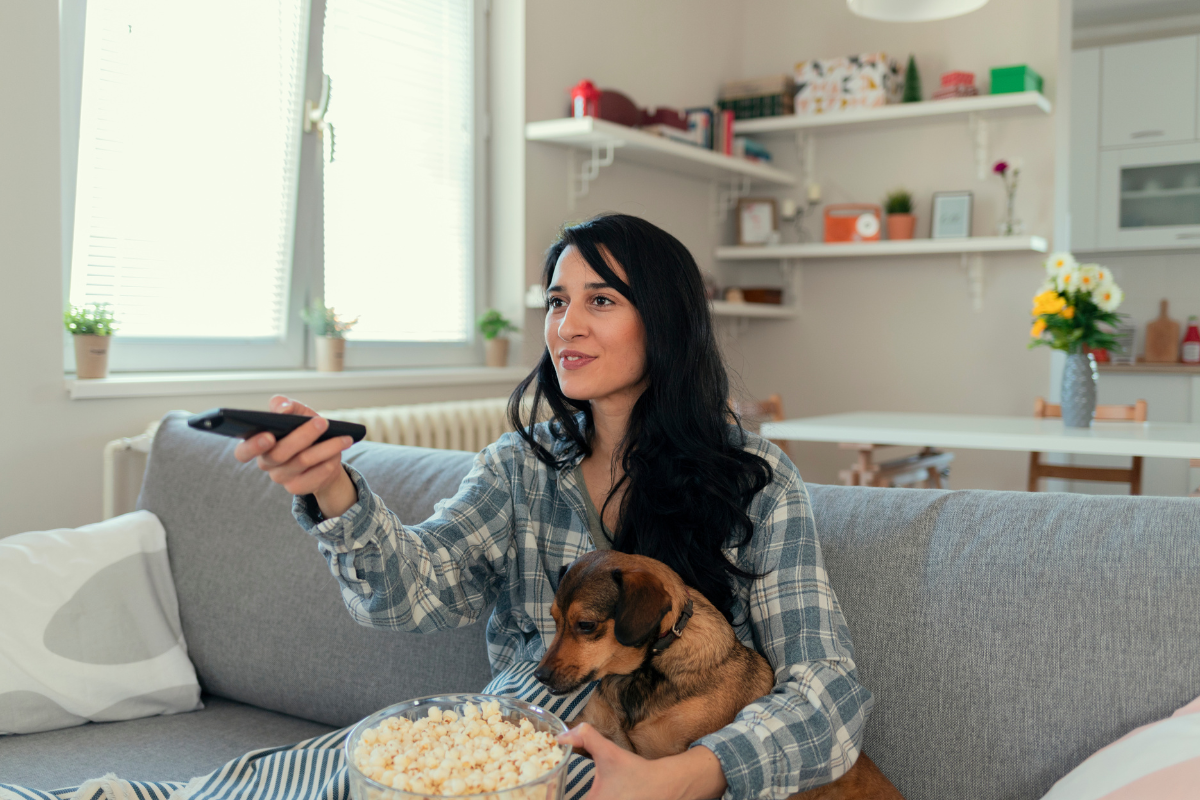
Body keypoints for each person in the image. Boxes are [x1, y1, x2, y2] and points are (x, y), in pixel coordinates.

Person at [235, 213, 873, 800]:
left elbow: (827, 694)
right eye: (557, 302)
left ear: (666, 321)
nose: (566, 326)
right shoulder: (518, 467)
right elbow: (413, 595)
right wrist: (331, 489)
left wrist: (688, 775)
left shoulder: (754, 481)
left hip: (662, 766)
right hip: (514, 741)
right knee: (340, 768)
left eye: (600, 300)